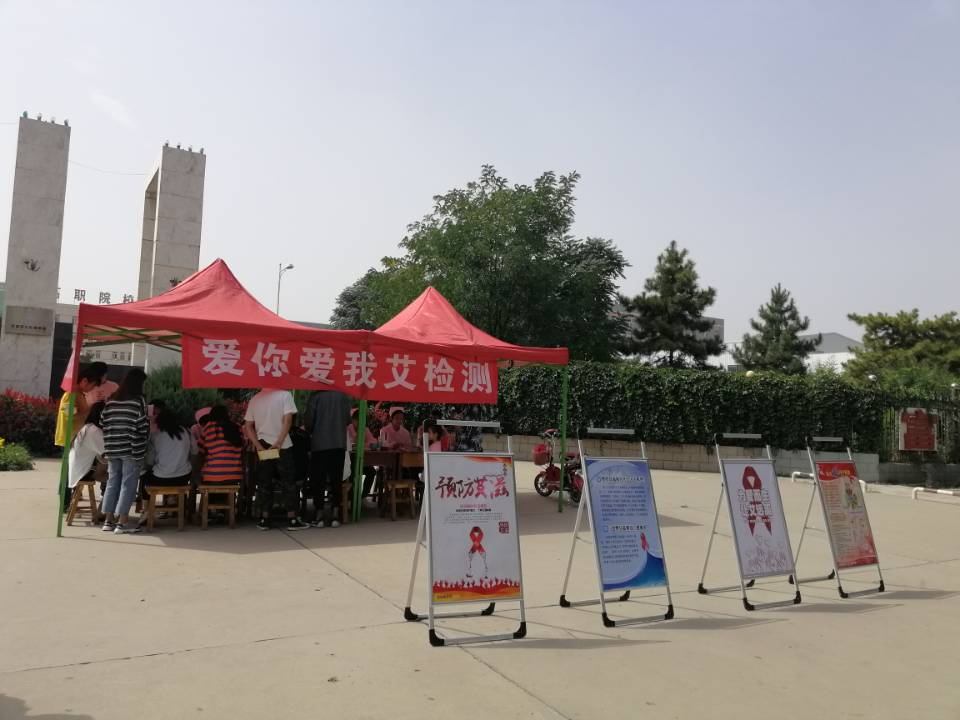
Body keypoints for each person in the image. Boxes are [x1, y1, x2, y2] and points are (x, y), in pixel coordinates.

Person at [243, 388, 308, 531]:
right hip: (282, 445)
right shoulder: (285, 395)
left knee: (264, 482)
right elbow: (288, 419)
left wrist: (258, 446)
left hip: (263, 445)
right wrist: (279, 442)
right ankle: (292, 518)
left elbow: (248, 426)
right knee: (288, 482)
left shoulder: (255, 399)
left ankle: (265, 518)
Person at [100, 369, 150, 534]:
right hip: (131, 448)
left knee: (112, 482)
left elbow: (102, 421)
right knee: (127, 485)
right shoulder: (138, 401)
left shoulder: (111, 401)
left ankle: (108, 521)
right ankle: (121, 523)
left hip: (112, 447)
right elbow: (142, 425)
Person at [303, 389, 353, 528]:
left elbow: (308, 422)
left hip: (320, 444)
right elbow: (347, 420)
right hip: (338, 443)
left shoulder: (315, 396)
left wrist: (312, 429)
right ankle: (335, 514)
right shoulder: (343, 396)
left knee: (318, 480)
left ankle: (319, 515)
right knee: (336, 479)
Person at [198, 405, 244, 521]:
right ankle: (224, 512)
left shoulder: (208, 428)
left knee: (210, 477)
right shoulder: (237, 427)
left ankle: (210, 512)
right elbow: (244, 445)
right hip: (234, 475)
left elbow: (200, 450)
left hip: (212, 475)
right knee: (224, 480)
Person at [143, 407, 196, 496]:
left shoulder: (155, 435)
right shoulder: (187, 432)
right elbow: (195, 453)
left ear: (159, 422)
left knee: (144, 477)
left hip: (160, 478)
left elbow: (149, 461)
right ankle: (175, 500)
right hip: (183, 477)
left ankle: (147, 503)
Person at [55, 362, 108, 449]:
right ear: (84, 381)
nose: (93, 388)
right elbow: (70, 416)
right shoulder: (70, 395)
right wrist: (90, 409)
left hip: (74, 439)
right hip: (68, 440)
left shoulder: (79, 395)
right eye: (93, 385)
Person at [66, 402, 106, 511]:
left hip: (77, 470)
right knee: (115, 476)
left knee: (109, 468)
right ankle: (104, 511)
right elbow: (107, 455)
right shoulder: (95, 431)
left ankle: (105, 509)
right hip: (83, 473)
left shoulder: (87, 427)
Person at [347, 408, 378, 500]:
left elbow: (373, 442)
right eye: (359, 420)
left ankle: (363, 495)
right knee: (352, 473)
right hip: (350, 463)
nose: (361, 423)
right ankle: (351, 497)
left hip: (362, 462)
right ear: (353, 420)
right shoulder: (348, 428)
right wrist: (360, 442)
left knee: (372, 471)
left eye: (363, 421)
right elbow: (350, 444)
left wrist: (363, 444)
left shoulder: (365, 429)